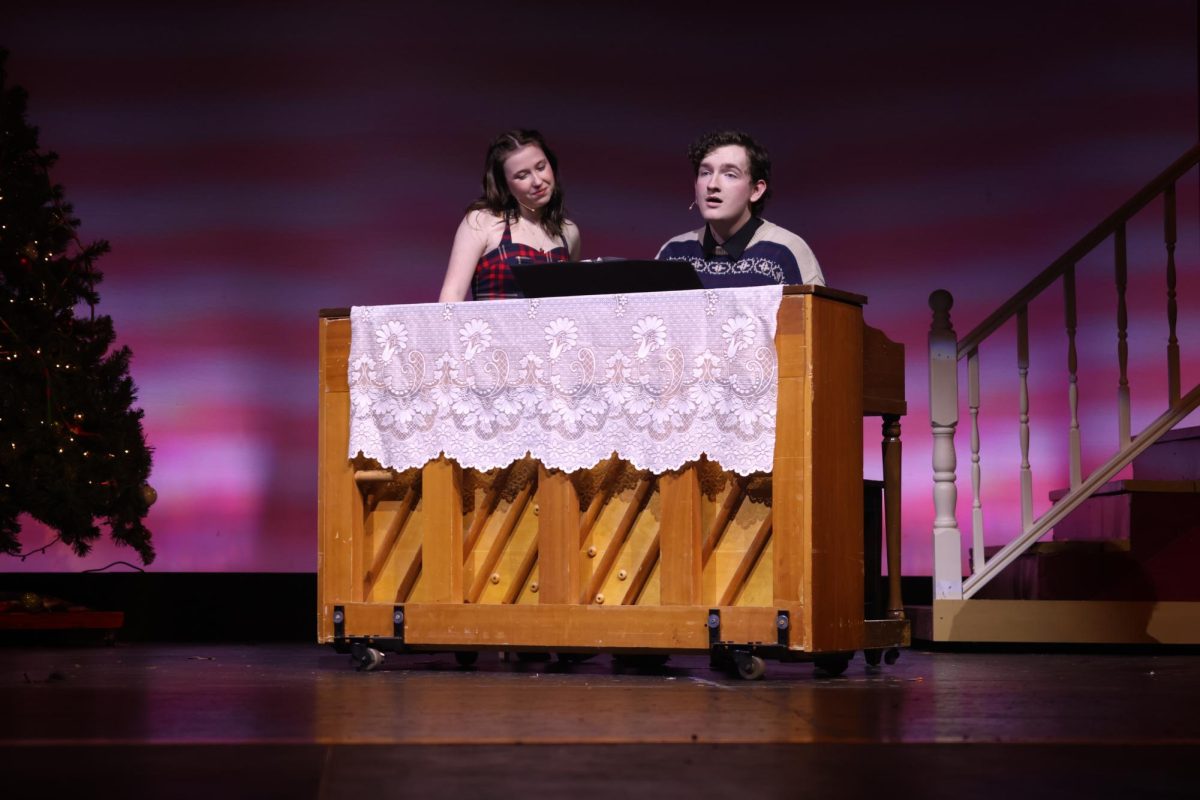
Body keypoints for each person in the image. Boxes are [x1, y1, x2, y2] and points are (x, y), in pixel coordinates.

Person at [655, 130, 824, 288]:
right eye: (705, 173)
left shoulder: (785, 252)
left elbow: (816, 317)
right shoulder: (673, 253)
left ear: (756, 190)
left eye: (730, 174)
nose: (712, 185)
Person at [439, 129, 582, 301]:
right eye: (522, 176)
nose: (537, 181)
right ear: (504, 185)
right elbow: (451, 296)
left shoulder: (568, 231)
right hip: (493, 327)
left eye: (541, 167)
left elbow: (572, 303)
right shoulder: (482, 222)